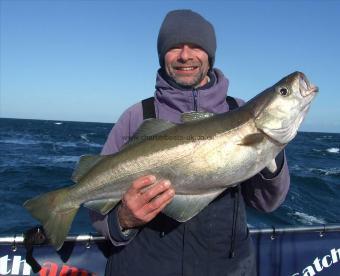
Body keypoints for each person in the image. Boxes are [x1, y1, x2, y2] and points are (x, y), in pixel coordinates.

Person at [90, 9, 290, 276]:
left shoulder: (242, 111)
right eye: (174, 47)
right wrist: (124, 220)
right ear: (163, 56)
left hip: (228, 268)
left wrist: (269, 149)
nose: (185, 55)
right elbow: (96, 209)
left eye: (196, 46)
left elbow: (267, 203)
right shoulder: (136, 116)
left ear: (209, 55)